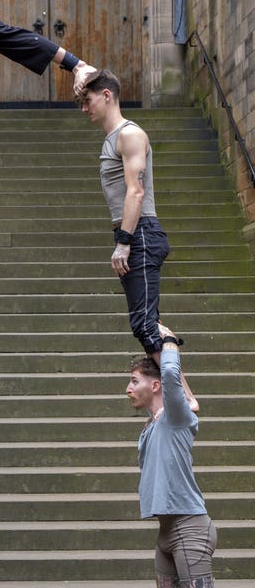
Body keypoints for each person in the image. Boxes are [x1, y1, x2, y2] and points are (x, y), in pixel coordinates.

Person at [126, 325, 235, 588]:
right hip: (166, 533)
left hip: (190, 529)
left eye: (134, 382)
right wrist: (156, 355)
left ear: (155, 386)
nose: (127, 389)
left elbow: (175, 384)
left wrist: (167, 341)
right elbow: (191, 399)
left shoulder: (173, 415)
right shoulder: (158, 423)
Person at [76, 69, 197, 408]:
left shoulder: (130, 135)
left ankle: (184, 400)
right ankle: (187, 397)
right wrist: (76, 67)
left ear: (107, 95)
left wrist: (124, 241)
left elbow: (136, 190)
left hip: (140, 234)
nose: (84, 109)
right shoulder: (113, 137)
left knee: (144, 324)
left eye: (87, 101)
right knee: (147, 322)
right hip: (134, 233)